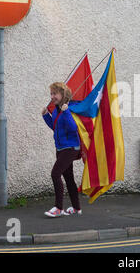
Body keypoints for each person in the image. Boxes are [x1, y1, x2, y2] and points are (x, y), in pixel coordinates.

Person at [41, 82, 82, 217]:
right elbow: (56, 127)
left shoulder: (68, 109)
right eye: (51, 94)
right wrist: (46, 116)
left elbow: (72, 128)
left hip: (70, 148)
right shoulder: (58, 110)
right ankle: (76, 208)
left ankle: (58, 208)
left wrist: (66, 111)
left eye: (55, 93)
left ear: (63, 94)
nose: (52, 96)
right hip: (61, 148)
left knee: (55, 174)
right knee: (68, 178)